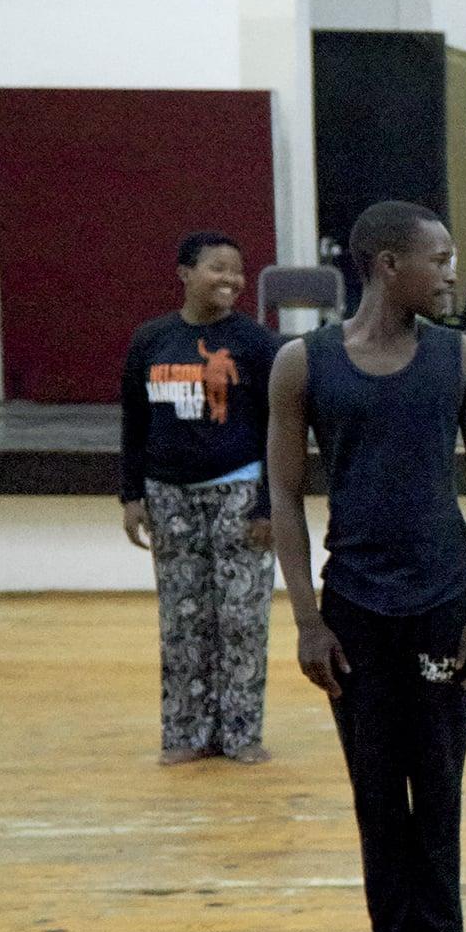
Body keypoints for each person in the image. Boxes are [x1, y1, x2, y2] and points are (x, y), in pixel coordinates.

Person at [270, 200, 466, 932]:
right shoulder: (304, 363)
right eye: (438, 259)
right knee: (374, 782)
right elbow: (282, 493)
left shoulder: (464, 359)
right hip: (355, 607)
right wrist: (306, 618)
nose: (451, 273)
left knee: (438, 778)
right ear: (386, 264)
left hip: (443, 600)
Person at [119, 231, 279, 763]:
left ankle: (241, 733)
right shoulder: (151, 339)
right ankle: (187, 733)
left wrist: (269, 505)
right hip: (168, 496)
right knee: (183, 619)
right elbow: (135, 422)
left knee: (242, 620)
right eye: (217, 268)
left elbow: (280, 429)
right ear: (185, 273)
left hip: (239, 489)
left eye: (237, 270)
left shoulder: (258, 345)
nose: (230, 280)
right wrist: (132, 493)